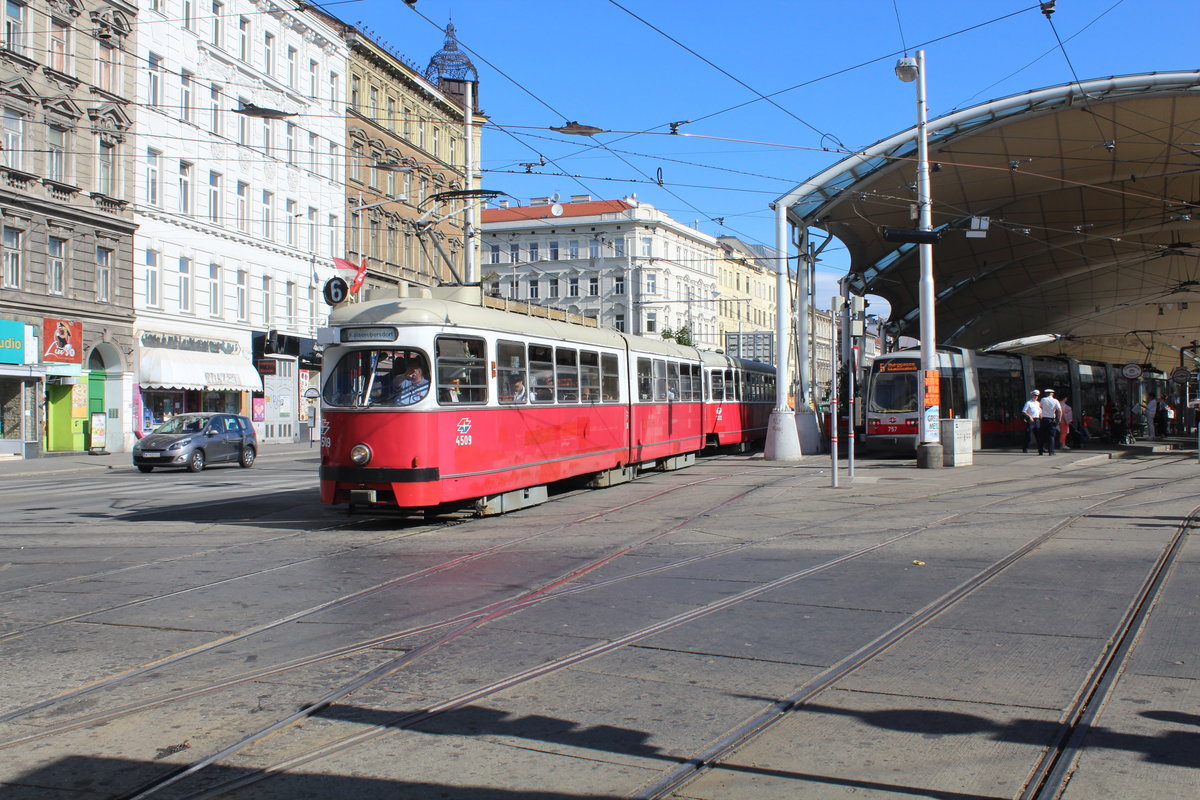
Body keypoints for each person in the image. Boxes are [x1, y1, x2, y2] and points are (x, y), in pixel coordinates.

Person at [1038, 387, 1062, 455]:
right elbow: (1059, 410)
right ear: (1052, 394)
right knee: (1051, 436)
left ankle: (1041, 451)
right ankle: (1051, 452)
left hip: (1044, 419)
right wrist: (1058, 420)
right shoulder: (1055, 401)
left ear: (1046, 394)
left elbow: (1040, 407)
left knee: (1042, 435)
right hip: (1051, 420)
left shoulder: (1043, 399)